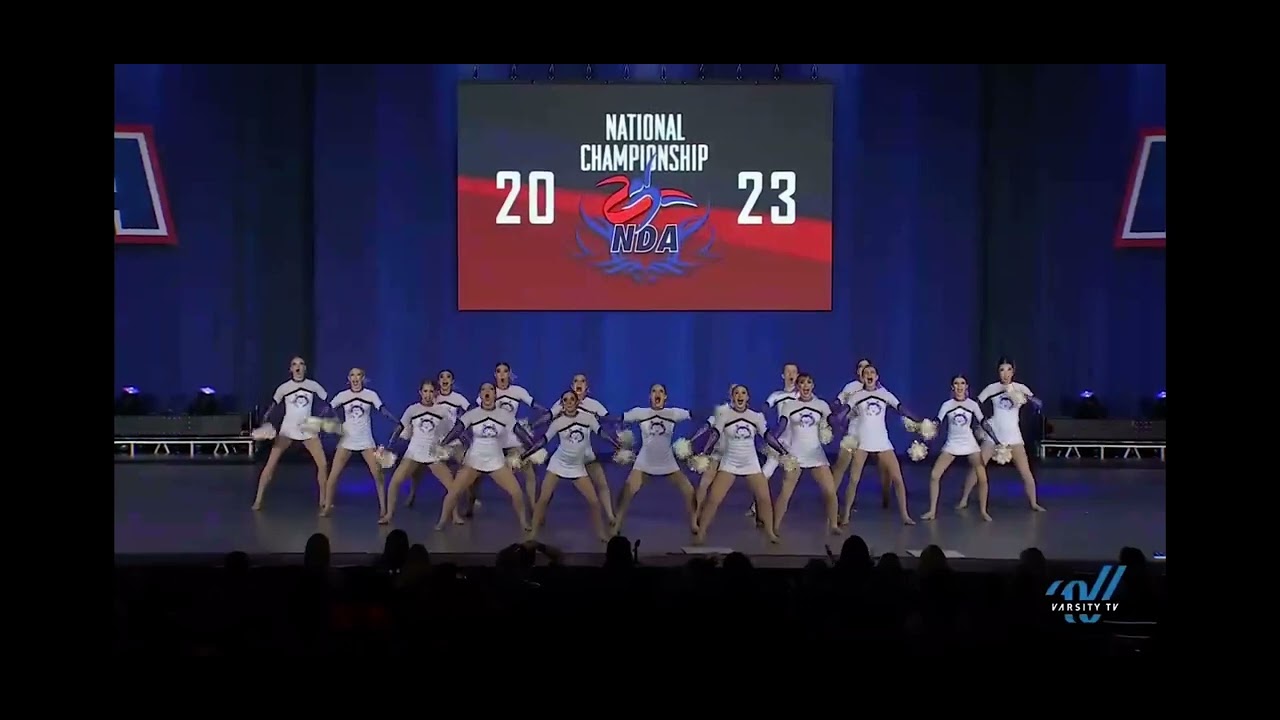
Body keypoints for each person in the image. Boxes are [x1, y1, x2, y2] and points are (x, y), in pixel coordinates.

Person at [521, 389, 622, 542]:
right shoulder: (558, 423)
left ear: (577, 402)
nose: (568, 403)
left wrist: (615, 444)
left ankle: (601, 534)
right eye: (565, 400)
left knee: (594, 502)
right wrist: (526, 454)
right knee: (543, 499)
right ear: (562, 404)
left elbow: (601, 432)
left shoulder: (588, 418)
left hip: (577, 467)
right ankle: (532, 534)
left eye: (571, 400)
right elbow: (543, 441)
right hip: (558, 465)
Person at [693, 384, 785, 544]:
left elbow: (767, 436)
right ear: (732, 397)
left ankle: (770, 533)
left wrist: (783, 451)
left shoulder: (756, 416)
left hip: (751, 463)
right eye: (736, 393)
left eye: (743, 393)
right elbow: (715, 434)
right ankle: (701, 533)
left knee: (764, 499)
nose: (740, 396)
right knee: (713, 499)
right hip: (730, 463)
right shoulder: (724, 415)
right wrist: (705, 452)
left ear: (747, 397)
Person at [435, 383, 528, 533]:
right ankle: (442, 520)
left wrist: (532, 446)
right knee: (454, 491)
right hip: (474, 460)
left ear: (495, 395)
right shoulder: (472, 414)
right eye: (483, 389)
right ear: (480, 395)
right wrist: (443, 444)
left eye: (490, 389)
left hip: (496, 461)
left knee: (516, 492)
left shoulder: (504, 415)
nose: (487, 392)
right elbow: (457, 430)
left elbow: (520, 432)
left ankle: (523, 522)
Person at [957, 359, 1047, 512]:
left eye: (1008, 370)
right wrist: (980, 424)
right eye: (1002, 370)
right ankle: (964, 499)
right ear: (998, 372)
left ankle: (1034, 503)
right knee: (977, 467)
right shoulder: (992, 388)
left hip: (1014, 437)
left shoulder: (1020, 388)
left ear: (1013, 371)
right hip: (993, 436)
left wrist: (1027, 398)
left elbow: (1039, 404)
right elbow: (975, 405)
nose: (1005, 374)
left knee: (1026, 472)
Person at [611, 384, 698, 535]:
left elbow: (694, 414)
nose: (657, 394)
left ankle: (694, 523)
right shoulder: (640, 412)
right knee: (626, 493)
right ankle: (616, 525)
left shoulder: (673, 413)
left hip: (668, 463)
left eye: (661, 391)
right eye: (654, 391)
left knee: (689, 491)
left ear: (665, 397)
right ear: (650, 396)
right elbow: (618, 418)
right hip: (644, 463)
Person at [836, 365, 917, 525]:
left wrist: (917, 421)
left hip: (882, 442)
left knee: (897, 479)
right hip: (862, 442)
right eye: (866, 373)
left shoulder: (884, 394)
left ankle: (905, 515)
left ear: (877, 376)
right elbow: (844, 411)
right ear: (863, 377)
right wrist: (836, 419)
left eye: (872, 372)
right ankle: (846, 516)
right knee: (854, 480)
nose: (869, 375)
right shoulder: (857, 396)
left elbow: (900, 408)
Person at [251, 356, 331, 511]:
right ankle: (258, 500)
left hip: (307, 429)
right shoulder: (284, 388)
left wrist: (320, 418)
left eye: (301, 364)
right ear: (291, 369)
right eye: (295, 364)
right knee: (270, 465)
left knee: (322, 464)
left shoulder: (313, 386)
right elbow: (272, 408)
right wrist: (265, 424)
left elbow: (329, 403)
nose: (298, 367)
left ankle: (323, 500)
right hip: (287, 430)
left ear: (305, 368)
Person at [319, 368, 401, 517]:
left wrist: (397, 422)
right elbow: (329, 408)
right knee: (333, 476)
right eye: (352, 375)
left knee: (378, 475)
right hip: (347, 440)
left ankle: (383, 509)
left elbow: (383, 410)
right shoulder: (343, 395)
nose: (355, 378)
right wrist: (322, 421)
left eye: (358, 375)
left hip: (366, 441)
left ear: (363, 378)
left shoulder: (370, 395)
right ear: (349, 379)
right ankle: (327, 507)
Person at [540, 374, 617, 526]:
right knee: (548, 489)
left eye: (582, 381)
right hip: (565, 457)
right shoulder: (562, 403)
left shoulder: (594, 405)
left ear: (587, 387)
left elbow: (607, 420)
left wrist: (617, 435)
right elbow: (549, 417)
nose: (579, 383)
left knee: (602, 484)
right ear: (572, 386)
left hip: (586, 456)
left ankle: (610, 516)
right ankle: (540, 515)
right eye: (576, 381)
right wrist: (532, 426)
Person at [772, 372, 842, 535]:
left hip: (816, 454)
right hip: (795, 455)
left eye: (808, 382)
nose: (805, 385)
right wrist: (772, 438)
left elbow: (833, 421)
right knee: (786, 492)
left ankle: (833, 525)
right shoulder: (790, 406)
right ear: (797, 386)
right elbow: (781, 426)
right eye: (802, 382)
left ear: (813, 386)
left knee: (830, 491)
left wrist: (841, 421)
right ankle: (774, 527)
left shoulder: (821, 405)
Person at [380, 379, 457, 525]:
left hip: (432, 453)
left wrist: (445, 447)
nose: (428, 395)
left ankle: (455, 515)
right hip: (413, 453)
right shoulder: (412, 409)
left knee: (452, 487)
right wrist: (390, 445)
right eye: (425, 391)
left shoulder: (442, 411)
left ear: (435, 393)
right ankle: (389, 514)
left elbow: (452, 430)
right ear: (420, 392)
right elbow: (400, 427)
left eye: (431, 391)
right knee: (395, 482)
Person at [921, 375, 998, 522]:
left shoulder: (972, 405)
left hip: (970, 443)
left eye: (962, 383)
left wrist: (996, 440)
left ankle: (983, 511)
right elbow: (937, 421)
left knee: (982, 478)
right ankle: (932, 511)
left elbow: (984, 423)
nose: (959, 386)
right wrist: (927, 429)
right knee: (935, 475)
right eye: (956, 384)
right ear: (952, 387)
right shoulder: (947, 405)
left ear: (966, 386)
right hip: (952, 444)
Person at [407, 369, 470, 509]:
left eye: (448, 377)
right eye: (442, 377)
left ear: (452, 381)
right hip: (436, 442)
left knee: (467, 466)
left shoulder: (458, 398)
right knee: (417, 468)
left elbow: (471, 412)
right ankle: (412, 494)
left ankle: (469, 498)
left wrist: (462, 427)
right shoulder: (432, 396)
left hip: (454, 442)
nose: (445, 379)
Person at [489, 362, 546, 509]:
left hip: (512, 439)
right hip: (493, 440)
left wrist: (549, 413)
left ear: (509, 374)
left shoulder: (517, 391)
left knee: (530, 472)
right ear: (495, 375)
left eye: (505, 371)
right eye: (499, 371)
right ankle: (470, 503)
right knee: (475, 473)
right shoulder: (489, 391)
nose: (502, 375)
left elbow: (533, 404)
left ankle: (533, 506)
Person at [750, 362, 800, 519]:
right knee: (766, 472)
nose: (791, 374)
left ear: (797, 375)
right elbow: (763, 410)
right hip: (780, 441)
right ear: (783, 376)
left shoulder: (803, 396)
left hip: (798, 442)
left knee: (791, 477)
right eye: (788, 372)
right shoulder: (776, 396)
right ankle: (756, 506)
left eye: (794, 372)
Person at [691, 385, 734, 518]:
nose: (737, 395)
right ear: (730, 395)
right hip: (717, 454)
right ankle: (697, 512)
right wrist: (693, 439)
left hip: (734, 457)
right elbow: (707, 426)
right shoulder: (721, 411)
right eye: (734, 392)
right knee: (704, 483)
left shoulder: (746, 414)